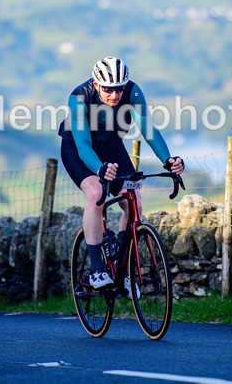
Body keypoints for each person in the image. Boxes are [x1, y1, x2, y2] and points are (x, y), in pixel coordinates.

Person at [58, 56, 184, 289]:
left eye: (118, 89)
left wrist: (168, 160)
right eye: (108, 89)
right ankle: (96, 270)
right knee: (96, 193)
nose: (114, 95)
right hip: (78, 147)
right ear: (96, 85)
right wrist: (99, 169)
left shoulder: (133, 93)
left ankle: (123, 269)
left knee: (133, 198)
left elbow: (148, 130)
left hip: (111, 146)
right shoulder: (80, 97)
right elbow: (84, 145)